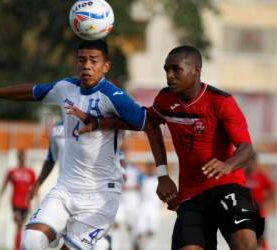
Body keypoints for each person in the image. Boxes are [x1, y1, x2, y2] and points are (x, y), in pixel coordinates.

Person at [0, 39, 174, 250]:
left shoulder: (114, 96)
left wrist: (163, 174)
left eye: (93, 60)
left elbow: (150, 125)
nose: (87, 65)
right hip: (65, 188)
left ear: (105, 66)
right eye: (82, 60)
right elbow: (32, 92)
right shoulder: (65, 88)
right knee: (31, 241)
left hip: (100, 196)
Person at [68, 45, 265, 250]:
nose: (169, 76)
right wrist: (100, 123)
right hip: (191, 195)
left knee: (245, 243)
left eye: (176, 69)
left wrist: (228, 165)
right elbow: (147, 123)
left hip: (227, 187)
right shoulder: (165, 100)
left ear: (196, 71)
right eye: (166, 70)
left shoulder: (220, 101)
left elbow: (246, 149)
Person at [0, 149, 36, 250]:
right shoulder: (12, 172)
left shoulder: (30, 172)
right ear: (18, 157)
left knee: (22, 227)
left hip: (26, 204)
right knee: (18, 223)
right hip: (16, 202)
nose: (22, 158)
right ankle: (17, 247)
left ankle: (20, 246)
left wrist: (38, 202)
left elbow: (35, 187)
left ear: (25, 158)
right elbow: (4, 185)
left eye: (23, 156)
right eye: (20, 156)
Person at [245, 153, 275, 250]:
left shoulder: (261, 176)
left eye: (249, 161)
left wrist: (264, 203)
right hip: (245, 213)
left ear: (253, 162)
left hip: (259, 213)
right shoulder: (242, 177)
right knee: (247, 238)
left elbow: (272, 191)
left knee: (261, 237)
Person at [135, 162, 162, 250]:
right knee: (140, 231)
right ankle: (139, 246)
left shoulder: (159, 180)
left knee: (151, 231)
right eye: (149, 168)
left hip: (154, 208)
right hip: (143, 207)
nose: (151, 170)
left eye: (152, 168)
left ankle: (149, 247)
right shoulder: (143, 178)